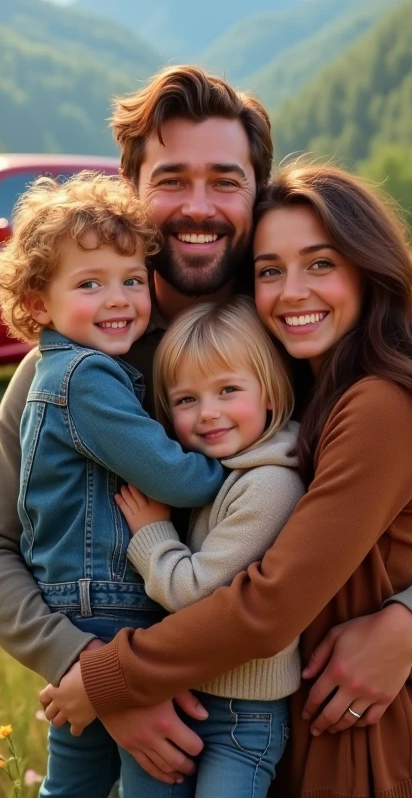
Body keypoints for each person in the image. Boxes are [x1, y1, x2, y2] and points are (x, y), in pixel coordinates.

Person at [0, 66, 412, 787]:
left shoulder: (296, 339)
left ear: (257, 190)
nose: (198, 206)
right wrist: (96, 673)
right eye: (172, 180)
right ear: (134, 192)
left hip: (318, 737)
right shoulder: (69, 371)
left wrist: (410, 624)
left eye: (226, 180)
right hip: (167, 736)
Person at [0, 170, 230, 796]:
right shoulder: (88, 378)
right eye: (90, 284)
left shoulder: (66, 368)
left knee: (74, 780)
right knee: (156, 777)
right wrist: (232, 475)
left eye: (131, 280)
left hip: (76, 604)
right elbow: (170, 477)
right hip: (111, 611)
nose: (119, 299)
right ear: (40, 303)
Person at [112, 297, 305, 796]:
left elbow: (196, 594)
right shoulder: (211, 473)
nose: (208, 413)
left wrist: (152, 534)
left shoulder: (270, 486)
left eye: (228, 390)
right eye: (186, 399)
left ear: (269, 392)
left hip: (244, 718)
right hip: (177, 692)